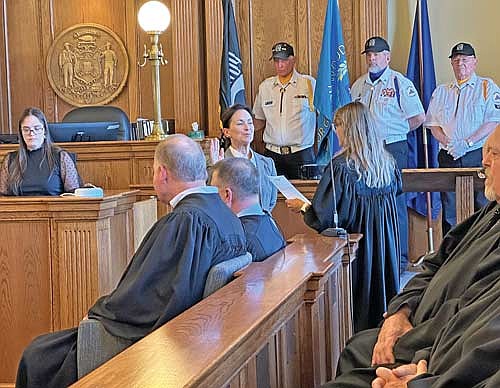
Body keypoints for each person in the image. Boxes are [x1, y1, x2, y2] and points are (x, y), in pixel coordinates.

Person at [15, 134, 247, 388]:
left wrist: (98, 311)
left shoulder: (185, 221)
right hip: (204, 334)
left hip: (163, 341)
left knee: (36, 356)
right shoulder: (225, 213)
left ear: (162, 173)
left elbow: (146, 296)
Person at [322, 125, 500, 388]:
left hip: (440, 357)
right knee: (357, 348)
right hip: (429, 340)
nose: (483, 161)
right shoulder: (490, 213)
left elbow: (476, 332)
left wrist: (423, 378)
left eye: (494, 154)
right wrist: (398, 312)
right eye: (486, 151)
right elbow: (433, 265)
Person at [286, 101, 401, 332]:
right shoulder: (387, 163)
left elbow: (325, 218)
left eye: (338, 126)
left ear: (348, 128)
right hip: (385, 245)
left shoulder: (340, 167)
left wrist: (302, 206)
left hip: (358, 251)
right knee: (383, 295)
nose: (336, 133)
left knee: (359, 306)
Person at [351, 36, 425, 274]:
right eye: (369, 55)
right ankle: (372, 259)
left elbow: (418, 117)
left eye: (377, 54)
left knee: (395, 203)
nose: (372, 59)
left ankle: (400, 259)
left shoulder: (399, 83)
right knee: (366, 201)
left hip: (392, 148)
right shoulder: (359, 85)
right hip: (365, 151)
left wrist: (397, 131)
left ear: (387, 57)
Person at [425, 42, 500, 235]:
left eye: (465, 60)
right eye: (456, 60)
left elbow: (493, 121)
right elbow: (432, 124)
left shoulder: (487, 87)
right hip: (449, 155)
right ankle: (451, 255)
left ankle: (481, 254)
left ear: (474, 62)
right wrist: (449, 143)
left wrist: (468, 143)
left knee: (483, 205)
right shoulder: (441, 91)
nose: (460, 64)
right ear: (451, 64)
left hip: (478, 155)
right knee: (449, 207)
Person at [253, 42, 316, 179]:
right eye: (276, 61)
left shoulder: (309, 84)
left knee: (304, 197)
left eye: (284, 60)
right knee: (273, 197)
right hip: (273, 154)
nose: (280, 65)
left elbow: (324, 116)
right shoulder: (265, 87)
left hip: (301, 154)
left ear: (293, 60)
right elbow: (259, 121)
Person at [211, 157, 286, 262]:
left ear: (227, 195)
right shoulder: (271, 223)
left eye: (213, 190)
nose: (211, 198)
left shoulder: (236, 240)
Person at [210, 104, 278, 212]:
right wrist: (216, 170)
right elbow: (213, 203)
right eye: (240, 123)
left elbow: (271, 201)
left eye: (250, 123)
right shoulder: (219, 164)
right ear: (226, 132)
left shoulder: (267, 163)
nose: (247, 128)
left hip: (261, 223)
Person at [0, 107, 81, 196]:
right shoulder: (10, 159)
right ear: (21, 133)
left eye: (37, 128)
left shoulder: (61, 157)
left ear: (44, 131)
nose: (31, 133)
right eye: (26, 130)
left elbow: (74, 196)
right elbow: (3, 197)